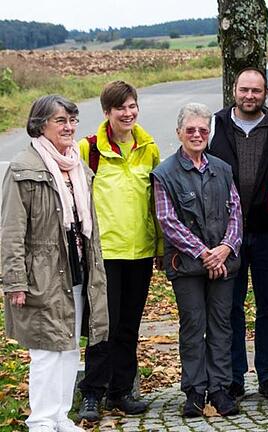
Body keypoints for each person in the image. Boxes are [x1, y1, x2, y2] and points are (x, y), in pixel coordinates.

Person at [2, 95, 109, 432]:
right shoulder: (24, 168)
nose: (69, 127)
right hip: (42, 275)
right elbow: (11, 230)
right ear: (40, 124)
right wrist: (14, 279)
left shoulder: (77, 166)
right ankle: (41, 422)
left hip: (78, 270)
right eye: (61, 120)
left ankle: (61, 416)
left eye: (73, 120)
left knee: (68, 347)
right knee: (46, 353)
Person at [207, 67, 268, 401]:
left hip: (266, 232)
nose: (249, 96)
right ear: (234, 90)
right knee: (230, 307)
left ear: (266, 94)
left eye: (256, 91)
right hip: (225, 236)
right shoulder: (215, 124)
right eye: (244, 90)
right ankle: (234, 378)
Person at [77, 80, 162, 421]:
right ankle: (92, 394)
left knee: (128, 326)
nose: (128, 113)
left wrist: (159, 246)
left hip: (139, 253)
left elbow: (157, 203)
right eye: (120, 108)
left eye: (132, 106)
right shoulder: (89, 149)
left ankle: (121, 392)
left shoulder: (149, 148)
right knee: (103, 327)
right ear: (107, 113)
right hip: (105, 254)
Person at [152, 103, 243, 417]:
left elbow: (235, 214)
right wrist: (205, 253)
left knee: (222, 326)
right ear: (179, 132)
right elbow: (168, 221)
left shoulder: (222, 168)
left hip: (223, 264)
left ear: (210, 133)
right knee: (193, 327)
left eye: (203, 130)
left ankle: (219, 389)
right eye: (190, 129)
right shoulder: (164, 173)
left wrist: (226, 248)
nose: (197, 134)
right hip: (188, 266)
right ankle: (193, 391)